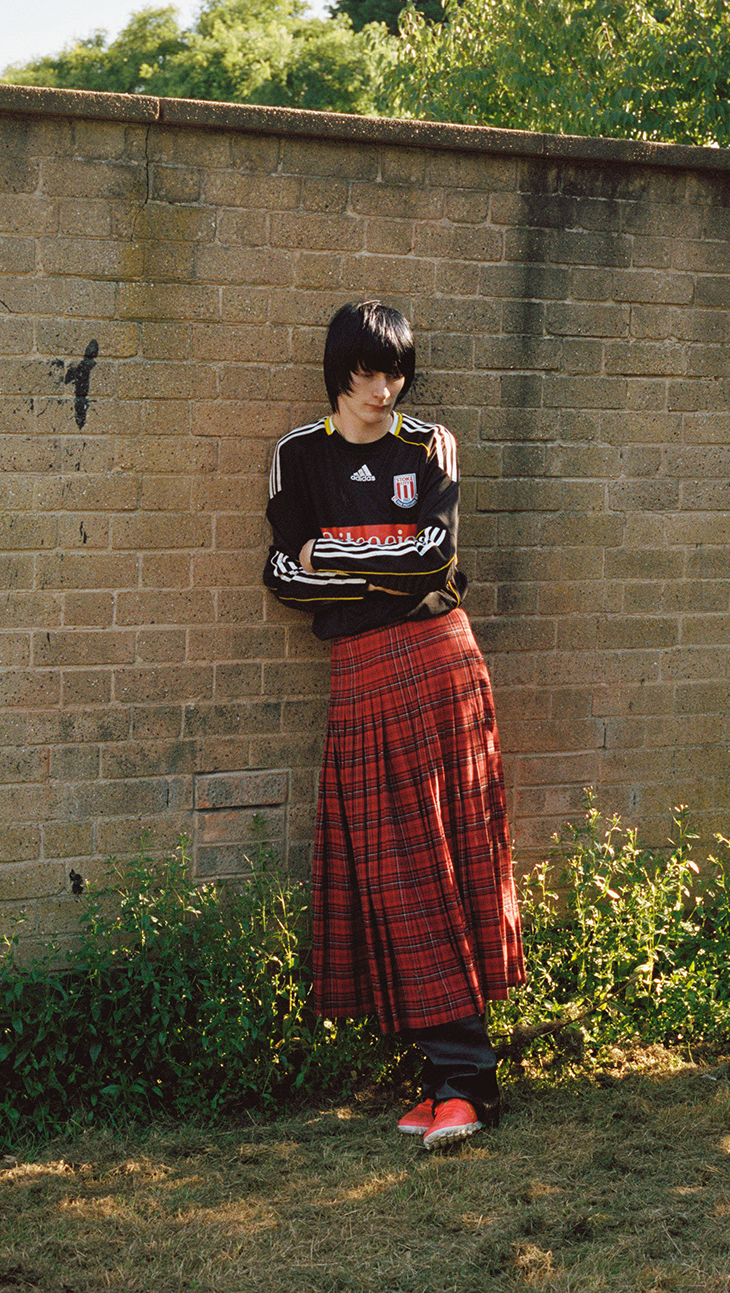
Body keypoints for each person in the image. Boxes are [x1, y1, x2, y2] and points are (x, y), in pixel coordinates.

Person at [263, 301, 525, 1150]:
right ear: (337, 374)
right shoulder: (298, 456)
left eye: (395, 373)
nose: (383, 390)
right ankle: (445, 1078)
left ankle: (468, 1084)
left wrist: (334, 558)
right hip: (360, 676)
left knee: (443, 863)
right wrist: (378, 564)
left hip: (439, 662)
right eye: (366, 374)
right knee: (388, 877)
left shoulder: (431, 445)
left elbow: (434, 560)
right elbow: (280, 576)